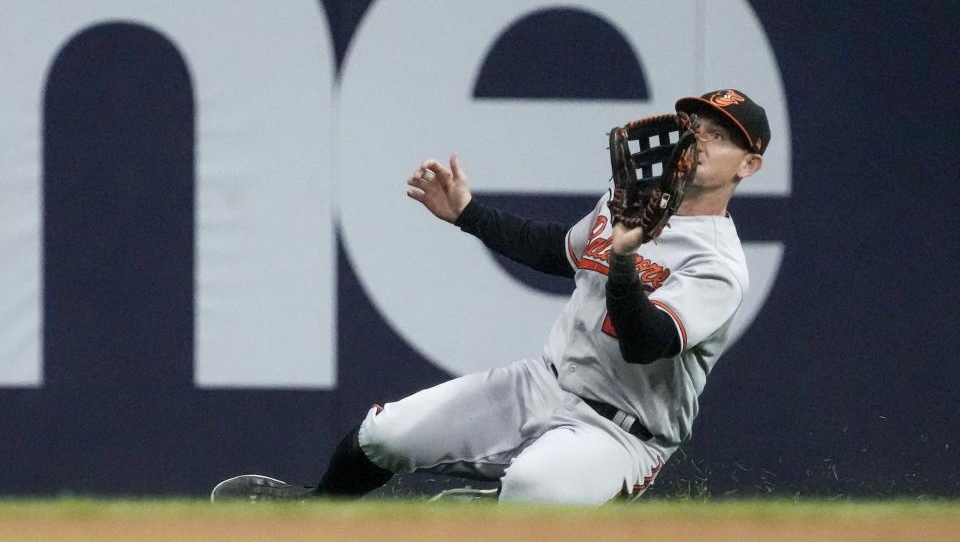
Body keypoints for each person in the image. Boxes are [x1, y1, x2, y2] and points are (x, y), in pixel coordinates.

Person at [211, 89, 770, 505]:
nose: (697, 137)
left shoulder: (718, 265)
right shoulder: (628, 202)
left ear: (749, 165)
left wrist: (624, 259)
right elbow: (559, 251)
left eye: (719, 135)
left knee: (533, 488)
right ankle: (315, 515)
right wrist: (468, 214)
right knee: (386, 433)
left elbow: (644, 343)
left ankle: (501, 508)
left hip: (621, 435)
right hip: (543, 383)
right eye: (693, 123)